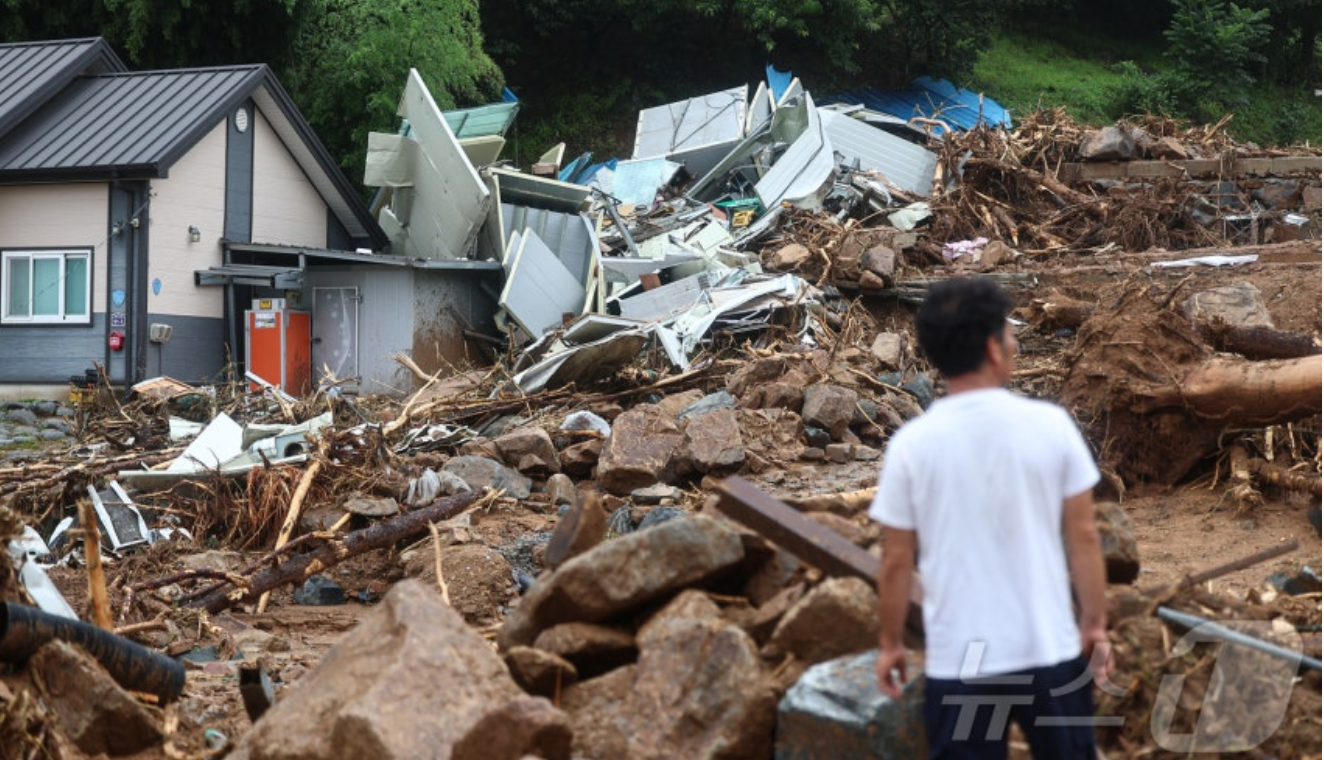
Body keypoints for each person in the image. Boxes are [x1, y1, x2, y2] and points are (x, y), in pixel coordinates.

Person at [869, 277, 1111, 760]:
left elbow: (896, 561)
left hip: (960, 662)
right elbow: (1083, 536)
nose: (1015, 344)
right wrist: (1094, 624)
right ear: (993, 349)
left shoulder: (910, 446)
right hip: (1050, 651)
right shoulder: (1050, 426)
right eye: (1010, 335)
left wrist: (891, 642)